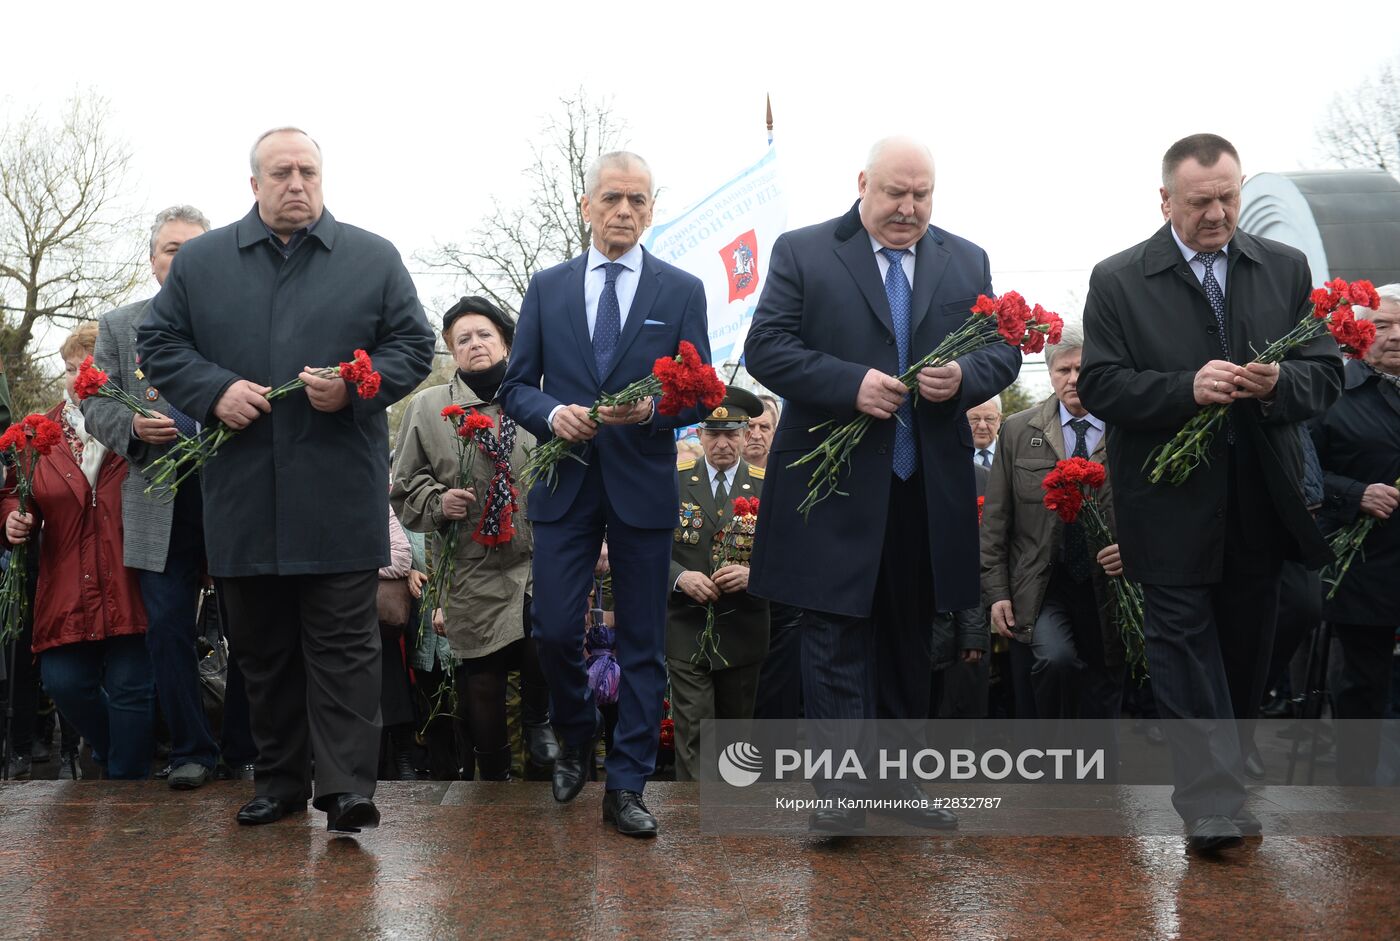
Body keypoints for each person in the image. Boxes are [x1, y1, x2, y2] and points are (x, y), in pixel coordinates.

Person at [137, 127, 435, 831]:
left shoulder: (372, 256)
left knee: (345, 649)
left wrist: (357, 388)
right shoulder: (204, 262)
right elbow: (158, 342)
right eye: (281, 172)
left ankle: (345, 789)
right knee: (262, 651)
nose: (296, 183)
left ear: (322, 179)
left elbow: (414, 345)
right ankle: (276, 780)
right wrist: (213, 391)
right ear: (254, 185)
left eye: (308, 171)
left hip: (337, 491)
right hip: (243, 493)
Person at [743, 136, 1021, 833]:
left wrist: (962, 380)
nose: (908, 208)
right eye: (895, 193)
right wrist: (849, 385)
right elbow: (767, 346)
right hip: (832, 486)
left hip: (926, 488)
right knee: (834, 635)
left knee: (907, 639)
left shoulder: (966, 258)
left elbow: (1003, 350)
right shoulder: (803, 251)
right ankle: (838, 798)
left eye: (922, 194)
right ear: (863, 183)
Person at [1078, 133, 1342, 854]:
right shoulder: (1118, 278)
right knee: (1183, 650)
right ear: (1165, 200)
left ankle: (1227, 774)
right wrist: (1183, 389)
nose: (1219, 214)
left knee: (1244, 650)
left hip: (1260, 498)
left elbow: (1325, 373)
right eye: (1201, 202)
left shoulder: (1283, 268)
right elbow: (1100, 383)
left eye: (1229, 196)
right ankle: (1210, 805)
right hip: (1164, 505)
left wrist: (1280, 383)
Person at [500, 150, 710, 837]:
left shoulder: (680, 290)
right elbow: (515, 385)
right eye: (613, 198)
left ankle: (626, 784)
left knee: (645, 641)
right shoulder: (548, 287)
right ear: (587, 205)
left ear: (652, 209)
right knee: (555, 628)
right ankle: (576, 725)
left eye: (639, 200)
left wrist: (653, 413)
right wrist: (550, 414)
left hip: (643, 484)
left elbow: (699, 392)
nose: (625, 210)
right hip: (565, 483)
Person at [80, 205, 227, 790]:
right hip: (157, 498)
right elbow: (96, 402)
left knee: (251, 627)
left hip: (231, 497)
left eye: (194, 246)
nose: (182, 256)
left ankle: (248, 746)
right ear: (152, 260)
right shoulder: (120, 324)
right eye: (171, 247)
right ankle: (194, 749)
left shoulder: (236, 320)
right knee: (167, 629)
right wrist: (134, 429)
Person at [392, 296, 556, 782]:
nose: (474, 344)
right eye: (462, 339)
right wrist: (439, 502)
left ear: (505, 341)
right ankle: (493, 778)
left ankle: (540, 730)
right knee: (480, 683)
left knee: (543, 644)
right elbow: (405, 486)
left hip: (538, 557)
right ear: (451, 351)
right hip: (471, 566)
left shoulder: (538, 396)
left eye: (484, 334)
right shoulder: (428, 407)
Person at [3, 323, 154, 779]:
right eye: (69, 369)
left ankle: (127, 786)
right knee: (63, 683)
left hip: (132, 578)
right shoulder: (37, 434)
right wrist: (12, 516)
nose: (76, 377)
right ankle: (115, 753)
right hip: (66, 582)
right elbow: (12, 493)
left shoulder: (140, 423)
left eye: (88, 368)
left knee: (132, 688)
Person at [981, 321, 1125, 723]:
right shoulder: (1016, 430)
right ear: (1050, 373)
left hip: (1110, 585)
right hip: (1042, 583)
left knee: (1106, 678)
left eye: (1083, 369)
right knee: (1055, 661)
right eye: (1064, 370)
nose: (1074, 379)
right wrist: (996, 593)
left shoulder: (1126, 427)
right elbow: (996, 520)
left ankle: (1099, 775)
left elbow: (1151, 507)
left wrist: (1133, 547)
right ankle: (1051, 759)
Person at [1310, 283, 1400, 785]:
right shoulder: (1332, 393)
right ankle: (1360, 792)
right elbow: (1299, 474)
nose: (1395, 336)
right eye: (1383, 324)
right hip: (1362, 564)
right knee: (1362, 682)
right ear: (1360, 332)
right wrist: (1354, 492)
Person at [666, 386, 768, 780]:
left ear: (746, 435)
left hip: (743, 629)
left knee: (734, 738)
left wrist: (754, 574)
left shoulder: (766, 485)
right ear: (699, 435)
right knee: (693, 733)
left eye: (732, 433)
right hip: (686, 626)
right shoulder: (672, 482)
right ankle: (694, 825)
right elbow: (644, 551)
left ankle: (730, 820)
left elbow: (789, 553)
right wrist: (680, 577)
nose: (723, 443)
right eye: (714, 433)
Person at [741, 394, 778, 470]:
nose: (756, 436)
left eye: (764, 427)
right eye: (750, 426)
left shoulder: (784, 470)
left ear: (774, 434)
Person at [966, 398, 1002, 468]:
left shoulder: (1012, 453)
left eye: (989, 419)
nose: (982, 426)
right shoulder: (950, 455)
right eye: (974, 418)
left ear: (999, 420)